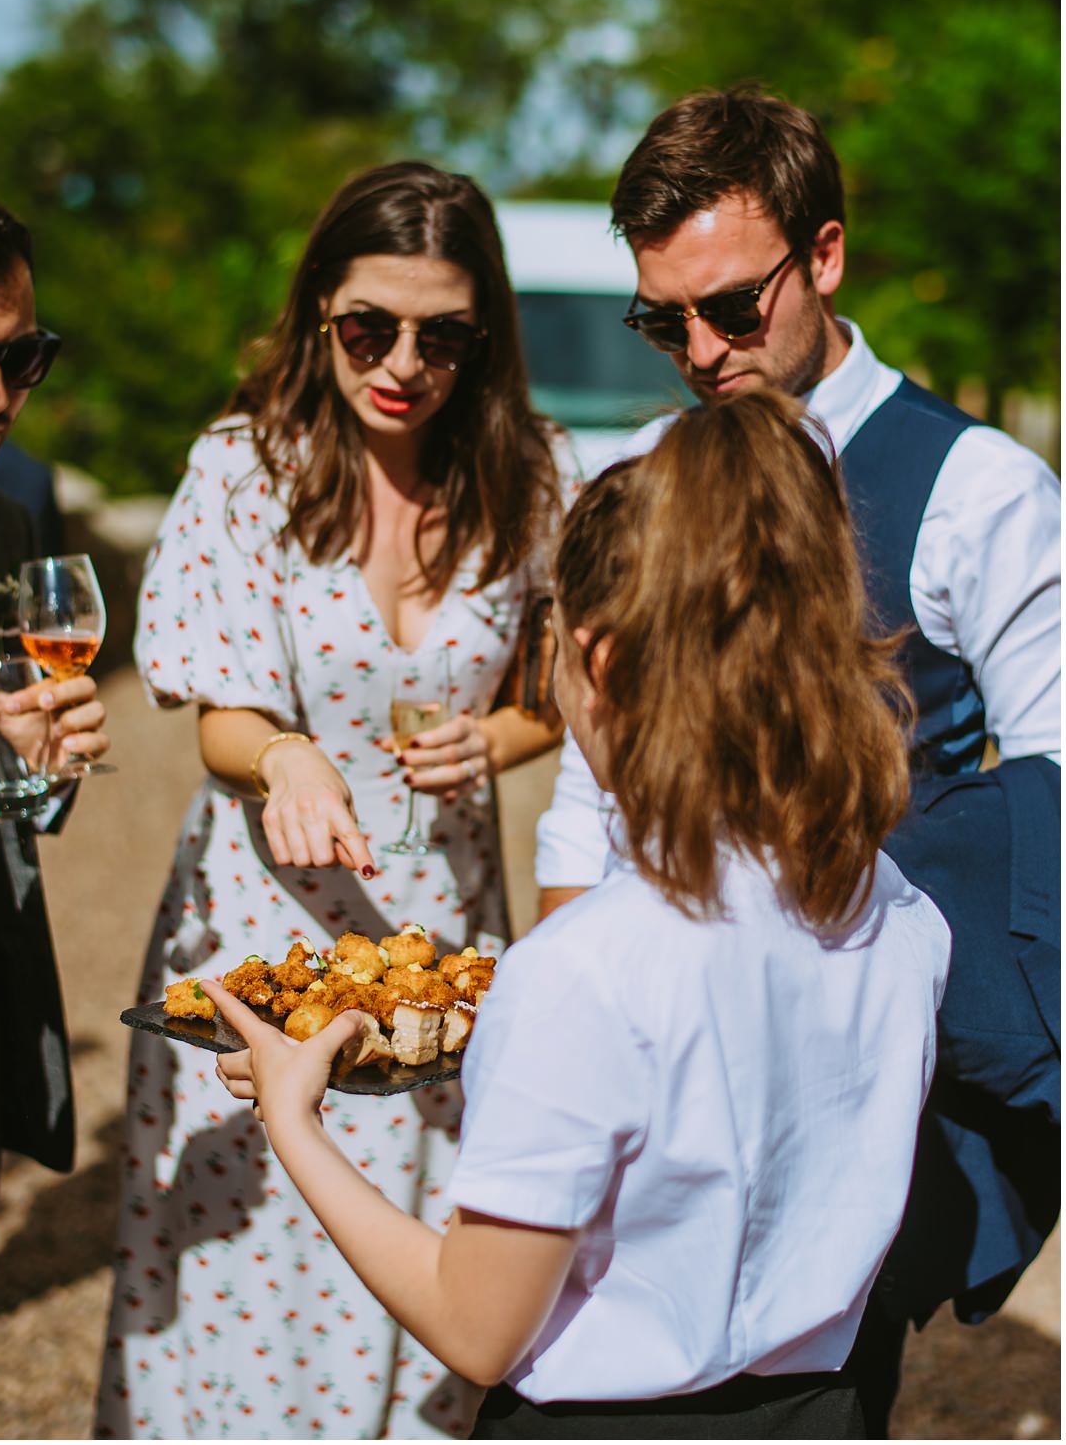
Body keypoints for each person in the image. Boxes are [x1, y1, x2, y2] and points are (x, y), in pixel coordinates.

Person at [203, 393, 952, 1441]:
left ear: (595, 660)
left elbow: (478, 1326)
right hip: (829, 1410)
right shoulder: (899, 911)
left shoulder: (584, 970)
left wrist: (295, 1116)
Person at [532, 88, 1060, 1433]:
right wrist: (558, 982)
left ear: (821, 257)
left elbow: (1055, 774)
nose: (699, 352)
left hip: (850, 1049)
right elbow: (593, 773)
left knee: (806, 1386)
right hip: (652, 1029)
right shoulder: (647, 469)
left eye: (728, 308)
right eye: (663, 321)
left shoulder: (980, 489)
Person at [97, 162, 577, 1441]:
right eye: (371, 325)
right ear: (321, 310)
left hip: (443, 950)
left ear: (486, 336)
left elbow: (561, 686)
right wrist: (288, 756)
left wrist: (500, 739)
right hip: (263, 929)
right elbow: (217, 713)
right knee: (246, 1264)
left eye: (444, 334)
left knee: (422, 1263)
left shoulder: (534, 473)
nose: (404, 362)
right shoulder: (245, 467)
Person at [0, 179, 111, 1334]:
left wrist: (34, 763)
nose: (0, 396)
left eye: (27, 356)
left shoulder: (3, 522)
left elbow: (1, 778)